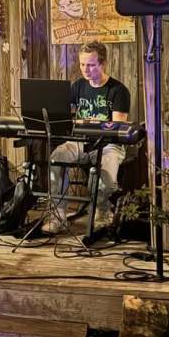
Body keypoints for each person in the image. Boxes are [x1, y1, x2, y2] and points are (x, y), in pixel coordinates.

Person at [47, 40, 130, 233]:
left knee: (107, 171)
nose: (86, 69)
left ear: (103, 64)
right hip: (80, 142)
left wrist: (92, 123)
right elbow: (64, 115)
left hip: (108, 145)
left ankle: (102, 212)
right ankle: (58, 216)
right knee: (57, 158)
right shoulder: (78, 87)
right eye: (83, 64)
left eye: (91, 65)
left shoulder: (118, 91)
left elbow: (117, 127)